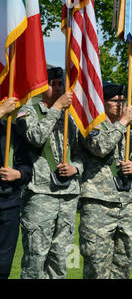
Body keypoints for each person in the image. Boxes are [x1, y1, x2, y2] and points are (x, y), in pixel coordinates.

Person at [15, 67, 84, 279]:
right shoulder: (28, 112)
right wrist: (55, 109)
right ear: (42, 87)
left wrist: (76, 168)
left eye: (60, 84)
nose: (56, 88)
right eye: (51, 84)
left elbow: (81, 152)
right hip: (40, 195)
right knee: (35, 260)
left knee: (59, 259)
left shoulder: (72, 117)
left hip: (68, 195)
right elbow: (36, 137)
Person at [78, 82, 132, 279]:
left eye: (122, 101)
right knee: (97, 265)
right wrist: (122, 122)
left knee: (123, 264)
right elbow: (100, 147)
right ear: (102, 103)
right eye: (114, 101)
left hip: (128, 204)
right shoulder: (92, 127)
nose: (119, 105)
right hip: (100, 204)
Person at [0, 97, 32, 279]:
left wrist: (18, 174)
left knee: (4, 264)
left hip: (9, 201)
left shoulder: (14, 129)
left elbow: (28, 164)